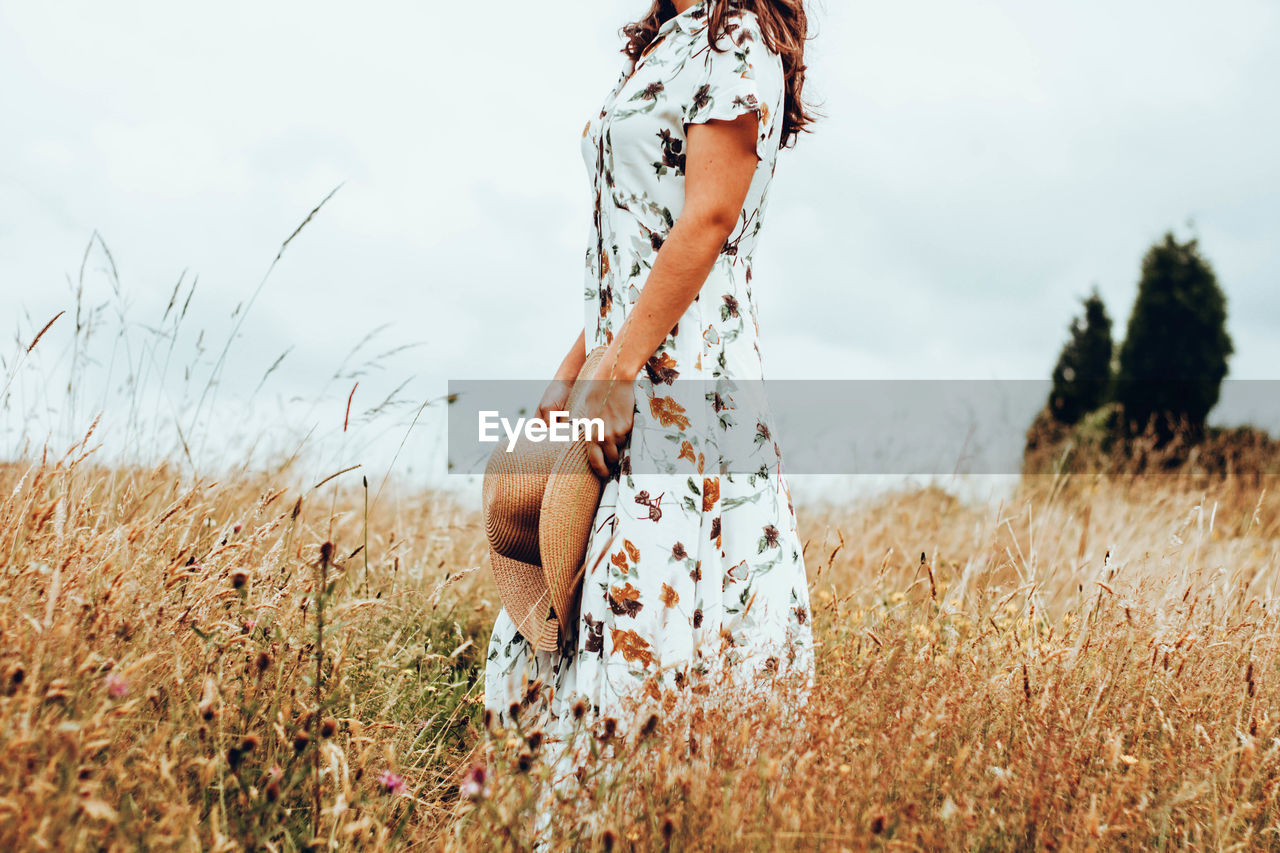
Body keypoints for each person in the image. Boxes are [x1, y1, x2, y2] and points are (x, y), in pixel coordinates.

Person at [484, 0, 817, 782]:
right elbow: (631, 246)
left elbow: (707, 218)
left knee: (649, 606)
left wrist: (622, 368)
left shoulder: (734, 36)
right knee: (569, 596)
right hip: (625, 370)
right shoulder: (668, 40)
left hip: (681, 384)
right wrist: (570, 377)